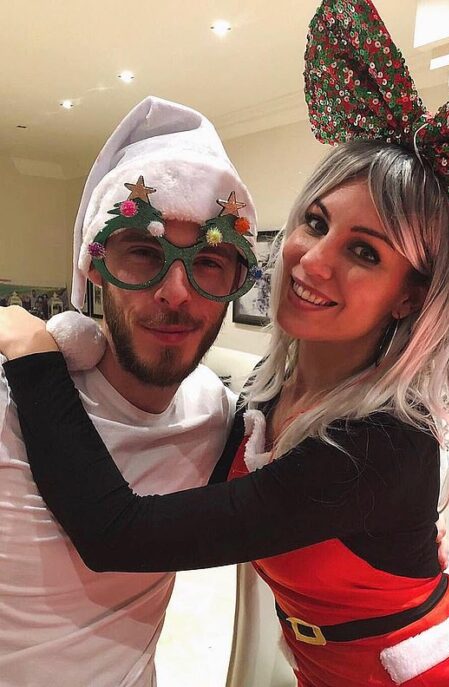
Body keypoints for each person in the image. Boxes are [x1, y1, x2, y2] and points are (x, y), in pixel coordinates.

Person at [1, 0, 449, 684]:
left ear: (411, 295)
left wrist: (35, 357)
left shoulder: (377, 447)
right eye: (315, 222)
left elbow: (118, 533)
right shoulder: (266, 398)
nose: (312, 261)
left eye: (365, 252)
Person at [0, 95, 259, 686]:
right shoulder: (9, 400)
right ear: (94, 267)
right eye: (144, 253)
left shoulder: (216, 414)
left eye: (209, 261)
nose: (176, 292)